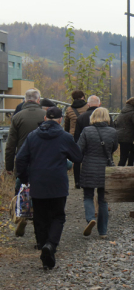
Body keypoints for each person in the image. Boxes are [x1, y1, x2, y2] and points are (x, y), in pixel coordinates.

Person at [15, 107, 83, 270]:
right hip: (58, 183)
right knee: (58, 216)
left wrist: (25, 178)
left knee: (40, 218)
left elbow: (20, 159)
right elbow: (78, 157)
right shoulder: (64, 137)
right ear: (60, 119)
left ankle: (44, 247)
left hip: (37, 182)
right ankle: (51, 245)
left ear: (45, 118)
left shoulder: (32, 136)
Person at [5, 88, 46, 237]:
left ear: (24, 100)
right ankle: (39, 232)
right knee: (41, 194)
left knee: (21, 188)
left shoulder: (17, 117)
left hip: (23, 161)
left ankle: (21, 215)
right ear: (38, 100)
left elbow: (10, 144)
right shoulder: (45, 116)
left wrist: (9, 166)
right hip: (43, 160)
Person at [77, 107, 118, 238]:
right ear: (107, 117)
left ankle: (90, 219)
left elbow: (79, 149)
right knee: (103, 200)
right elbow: (114, 147)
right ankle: (103, 232)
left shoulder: (86, 131)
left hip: (89, 166)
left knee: (88, 196)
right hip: (105, 168)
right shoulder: (112, 131)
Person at [64, 90, 89, 189]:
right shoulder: (88, 107)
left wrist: (67, 135)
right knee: (87, 157)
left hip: (74, 136)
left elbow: (67, 125)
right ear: (83, 97)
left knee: (77, 159)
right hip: (87, 134)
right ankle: (86, 180)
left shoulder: (69, 109)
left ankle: (77, 182)